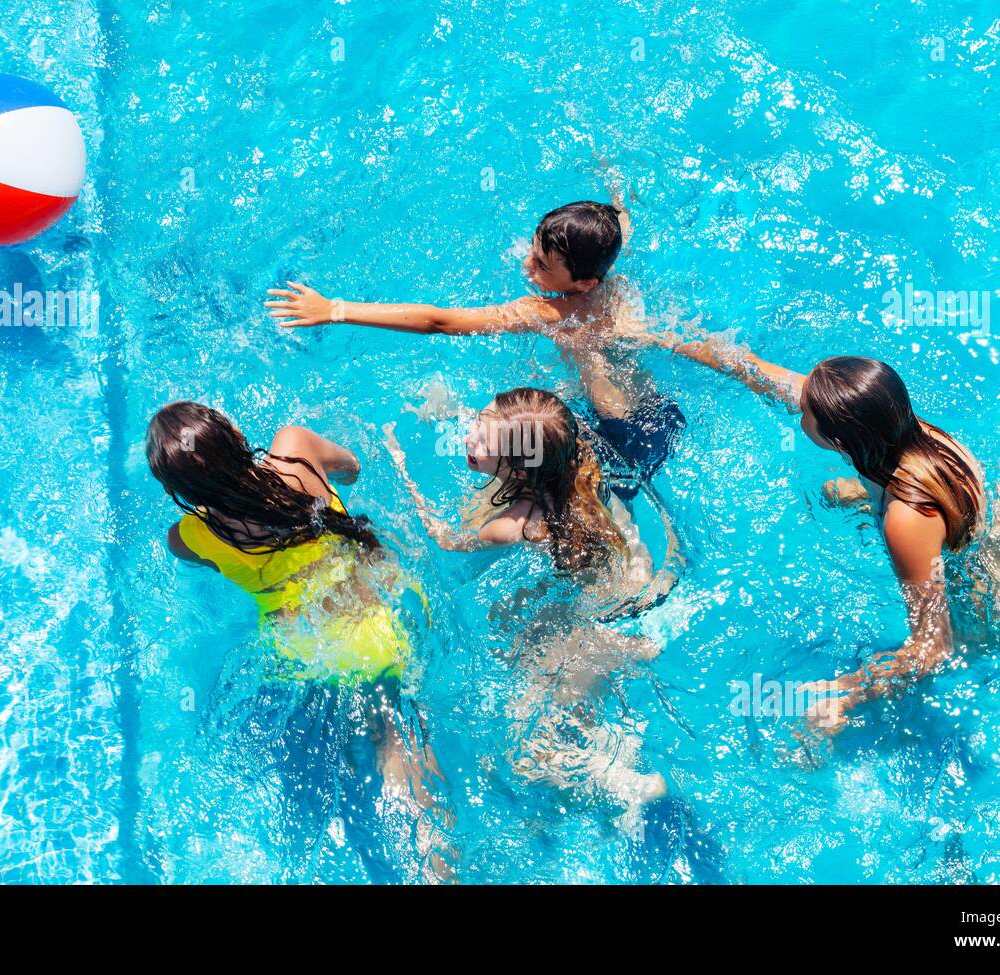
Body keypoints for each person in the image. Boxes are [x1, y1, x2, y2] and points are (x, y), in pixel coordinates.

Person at [385, 387, 720, 879]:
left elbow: (442, 538)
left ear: (518, 471)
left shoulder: (515, 525)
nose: (470, 436)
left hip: (574, 636)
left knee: (527, 759)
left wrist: (399, 469)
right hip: (624, 592)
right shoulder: (574, 462)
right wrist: (452, 409)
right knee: (575, 722)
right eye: (478, 422)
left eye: (481, 437)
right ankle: (616, 770)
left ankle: (628, 785)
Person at [146, 400, 456, 882]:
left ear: (178, 489)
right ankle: (440, 866)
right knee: (397, 750)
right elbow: (352, 467)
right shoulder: (294, 450)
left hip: (303, 655)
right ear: (230, 433)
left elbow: (212, 568)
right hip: (377, 621)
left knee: (328, 774)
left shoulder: (188, 536)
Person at [654, 338, 986, 737]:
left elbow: (935, 648)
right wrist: (658, 337)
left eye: (806, 413)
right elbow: (752, 368)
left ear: (839, 441)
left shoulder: (907, 520)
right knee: (834, 491)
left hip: (987, 595)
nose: (799, 409)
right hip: (967, 521)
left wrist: (844, 692)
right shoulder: (897, 427)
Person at [266, 201, 685, 500]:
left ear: (584, 283)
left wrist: (334, 309)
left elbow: (438, 321)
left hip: (617, 442)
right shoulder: (613, 283)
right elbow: (686, 342)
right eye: (533, 251)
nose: (527, 266)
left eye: (541, 266)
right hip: (654, 415)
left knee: (532, 477)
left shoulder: (548, 312)